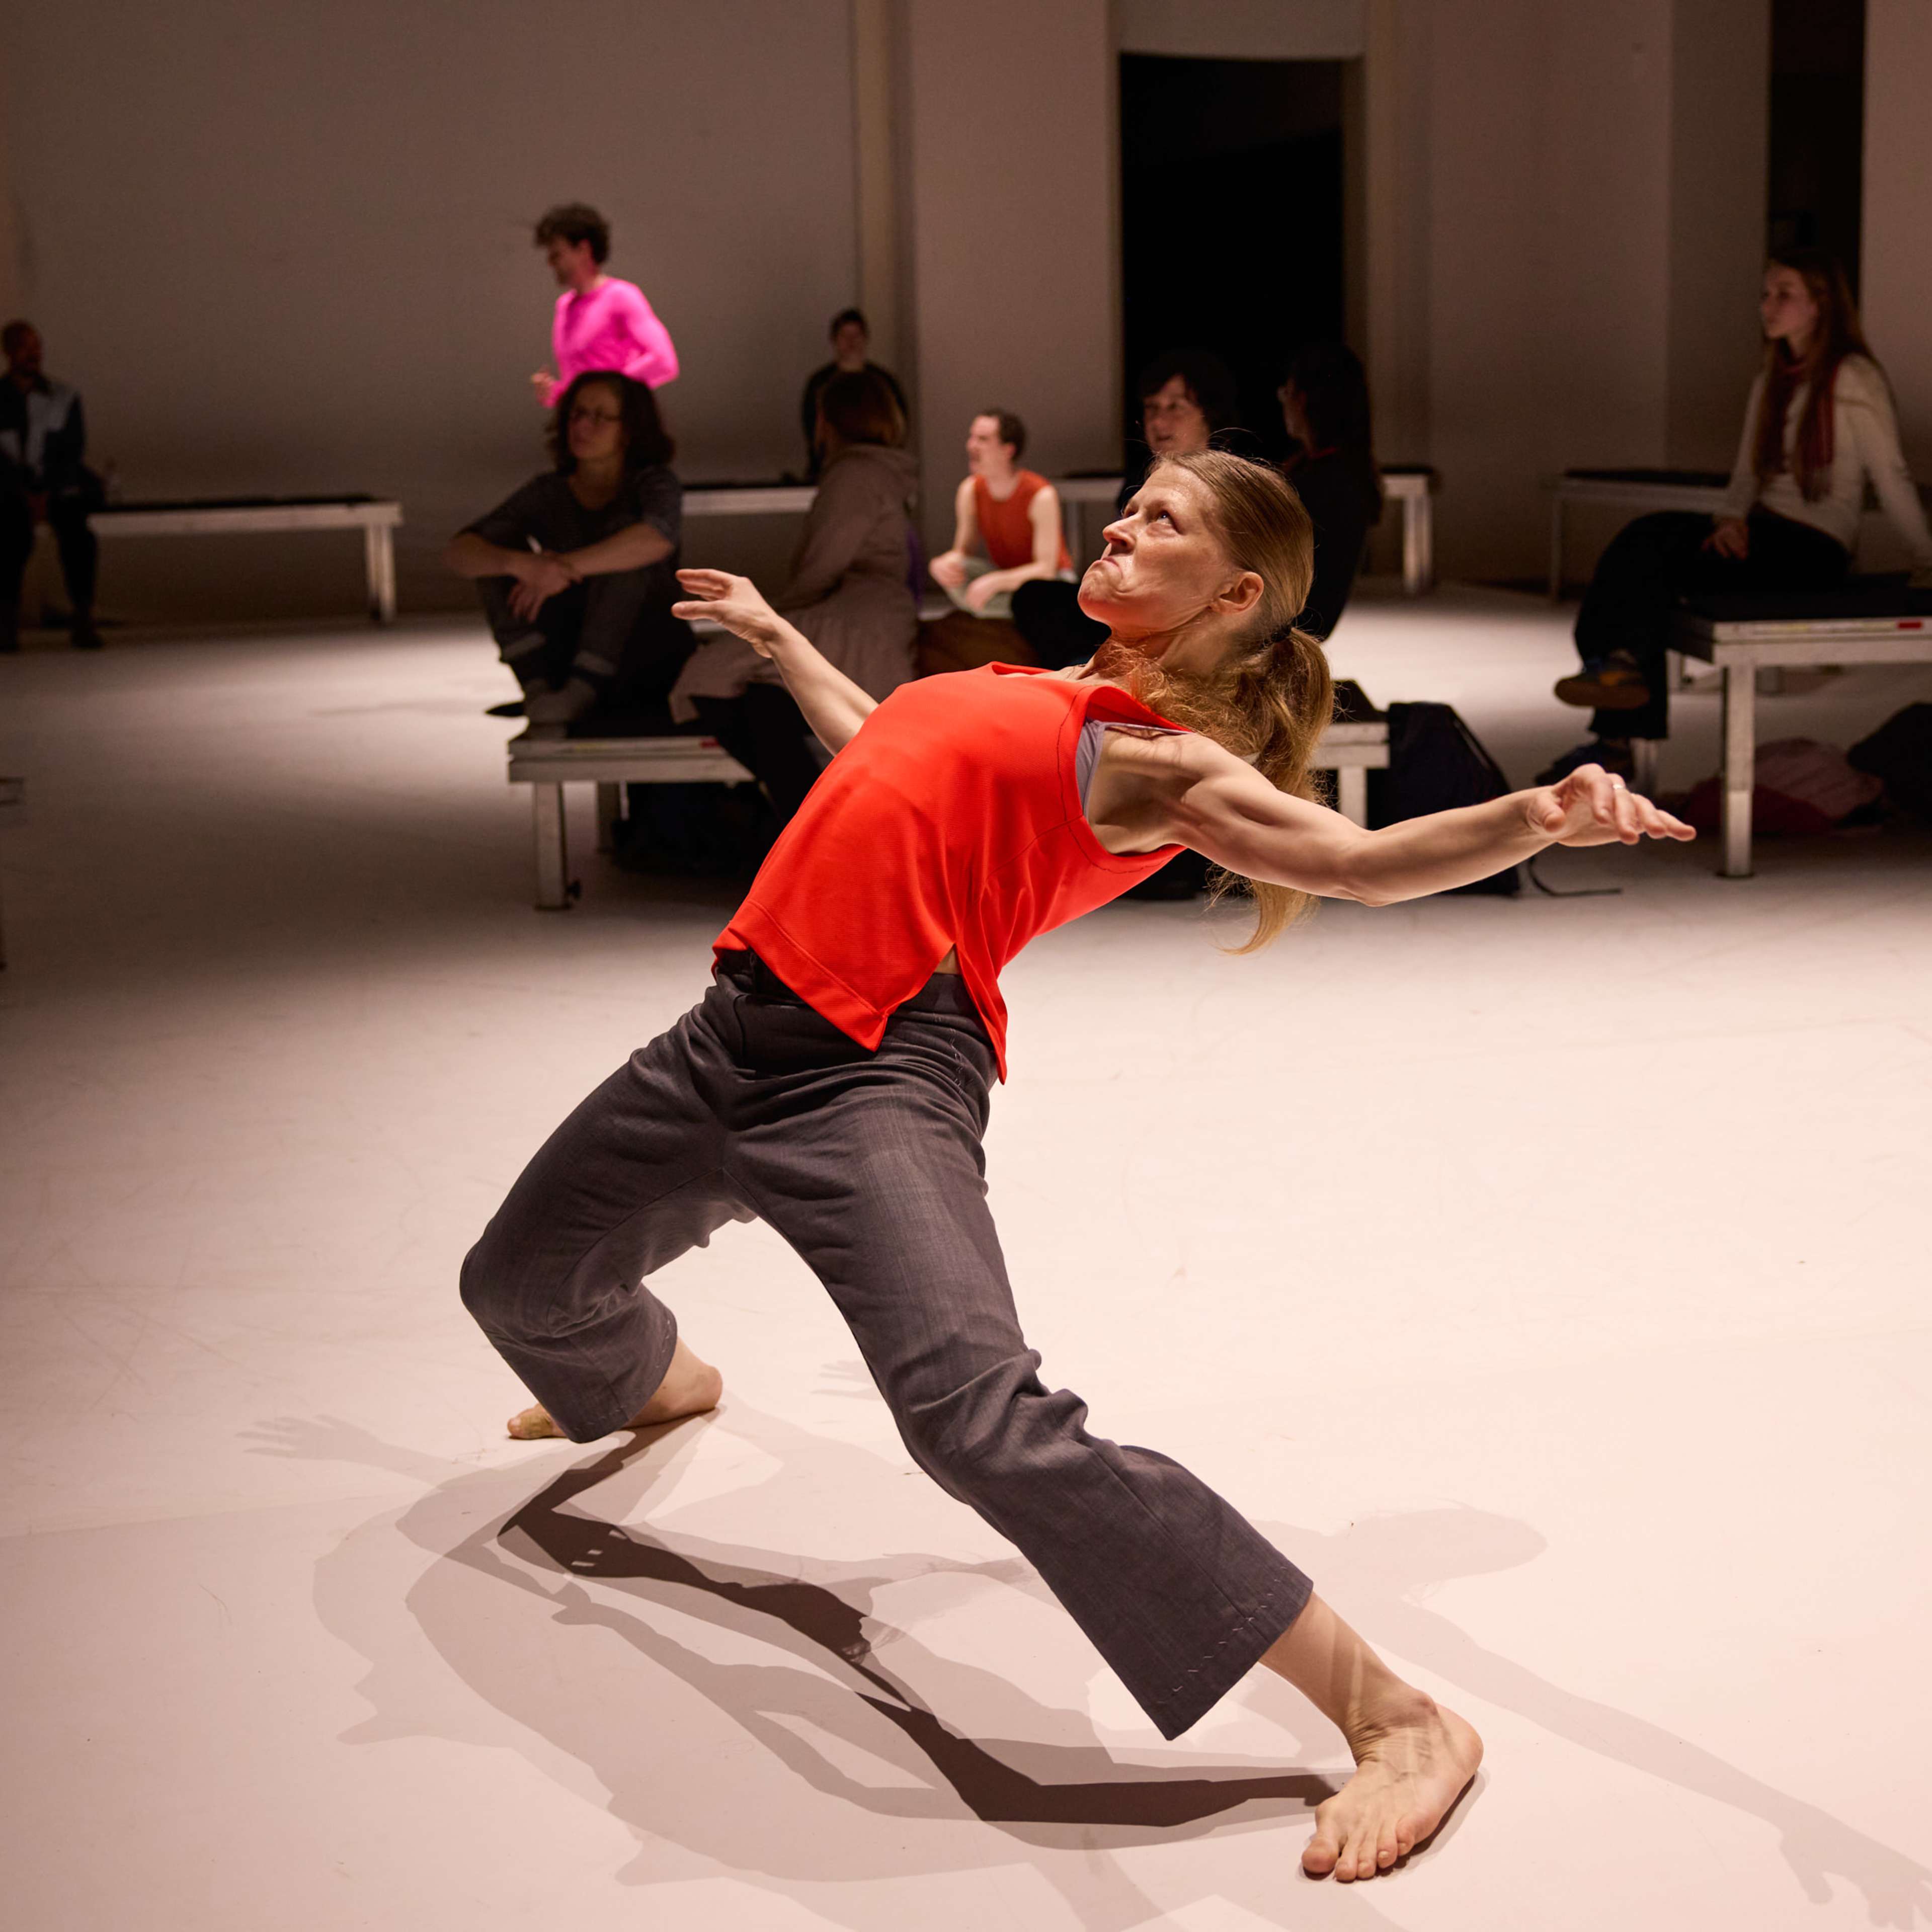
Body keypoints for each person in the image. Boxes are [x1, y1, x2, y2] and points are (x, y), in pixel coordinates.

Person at [458, 446, 1693, 1884]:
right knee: (515, 1287)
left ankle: (1399, 1719)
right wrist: (781, 640)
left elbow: (1353, 862)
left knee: (981, 1426)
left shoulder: (1153, 762)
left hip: (872, 1076)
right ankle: (656, 1380)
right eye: (1136, 501)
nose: (1122, 524)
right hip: (727, 1038)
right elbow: (879, 753)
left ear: (1231, 595)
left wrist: (1534, 815)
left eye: (1163, 520)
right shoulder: (1021, 689)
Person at [1542, 247, 1932, 782]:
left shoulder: (1854, 378)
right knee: (1643, 539)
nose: (1768, 306)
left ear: (1820, 304)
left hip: (1814, 547)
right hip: (1765, 530)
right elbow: (1747, 473)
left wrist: (1926, 557)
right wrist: (1730, 519)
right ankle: (1617, 676)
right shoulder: (1771, 378)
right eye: (1765, 294)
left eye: (1784, 294)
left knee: (1655, 560)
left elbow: (1891, 474)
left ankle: (1617, 729)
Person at [669, 366, 917, 820]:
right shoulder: (881, 472)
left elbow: (821, 566)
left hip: (851, 617)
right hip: (865, 617)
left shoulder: (855, 474)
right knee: (763, 701)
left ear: (825, 420)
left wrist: (768, 619)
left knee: (709, 675)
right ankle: (810, 822)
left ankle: (813, 822)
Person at [445, 371, 692, 731]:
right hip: (565, 650)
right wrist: (522, 565)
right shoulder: (550, 491)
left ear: (629, 429)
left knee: (627, 544)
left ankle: (585, 687)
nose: (582, 426)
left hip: (641, 650)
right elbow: (459, 552)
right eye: (577, 414)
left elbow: (655, 540)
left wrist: (562, 568)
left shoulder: (653, 483)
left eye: (600, 417)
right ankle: (537, 687)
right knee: (493, 550)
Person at [1011, 349, 1243, 670]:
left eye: (1175, 407)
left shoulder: (1232, 486)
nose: (1159, 421)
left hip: (1189, 607)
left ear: (1209, 414)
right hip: (1132, 600)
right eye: (1152, 408)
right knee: (1035, 598)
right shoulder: (1139, 479)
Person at [1, 320, 104, 651]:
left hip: (57, 490)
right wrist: (24, 493)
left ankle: (83, 616)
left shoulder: (63, 397)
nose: (33, 353)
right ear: (9, 352)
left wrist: (45, 491)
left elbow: (71, 451)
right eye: (24, 346)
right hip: (10, 493)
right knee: (9, 537)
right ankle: (6, 622)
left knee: (79, 538)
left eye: (37, 346)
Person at [1278, 342, 1383, 640]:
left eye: (1286, 392)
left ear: (1301, 400)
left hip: (1287, 628)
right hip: (1303, 627)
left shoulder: (1319, 482)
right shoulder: (1348, 470)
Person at [529, 203, 679, 411]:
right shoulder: (564, 306)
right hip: (584, 423)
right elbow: (578, 384)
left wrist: (606, 391)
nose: (551, 263)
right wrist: (554, 394)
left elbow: (664, 361)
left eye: (557, 255)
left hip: (616, 421)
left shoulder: (620, 296)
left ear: (583, 250)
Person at [927, 409, 1070, 621]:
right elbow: (962, 552)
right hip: (1006, 577)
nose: (972, 445)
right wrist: (939, 565)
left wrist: (995, 582)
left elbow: (1046, 570)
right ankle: (1007, 612)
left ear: (1008, 450)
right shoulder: (970, 490)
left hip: (1050, 583)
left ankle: (1004, 612)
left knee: (1038, 596)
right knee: (956, 569)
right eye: (972, 437)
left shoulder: (1040, 495)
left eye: (983, 439)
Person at [798, 308, 908, 481]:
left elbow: (899, 425)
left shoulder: (884, 382)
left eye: (856, 336)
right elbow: (811, 427)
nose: (851, 342)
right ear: (835, 340)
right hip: (831, 466)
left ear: (865, 338)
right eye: (845, 336)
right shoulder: (819, 384)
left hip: (877, 467)